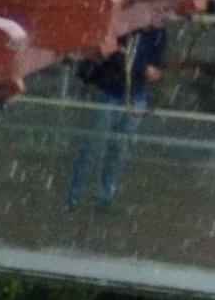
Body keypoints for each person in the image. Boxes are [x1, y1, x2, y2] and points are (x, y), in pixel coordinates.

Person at [62, 14, 169, 211]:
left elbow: (155, 64)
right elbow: (113, 55)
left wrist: (145, 69)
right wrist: (142, 68)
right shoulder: (127, 27)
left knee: (118, 148)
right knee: (94, 146)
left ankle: (103, 195)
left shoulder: (158, 34)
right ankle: (75, 195)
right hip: (111, 91)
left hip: (133, 95)